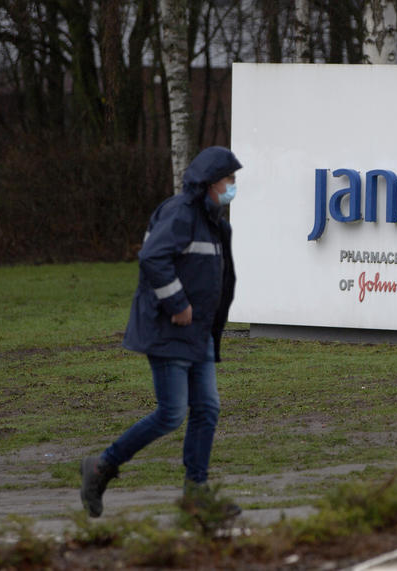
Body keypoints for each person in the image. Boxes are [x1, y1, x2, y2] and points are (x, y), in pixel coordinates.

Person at [80, 146, 242, 518]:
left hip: (197, 333)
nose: (233, 187)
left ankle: (196, 494)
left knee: (207, 409)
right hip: (169, 329)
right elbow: (152, 258)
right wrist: (178, 304)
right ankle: (101, 467)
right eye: (229, 180)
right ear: (211, 181)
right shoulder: (180, 213)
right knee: (171, 414)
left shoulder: (216, 222)